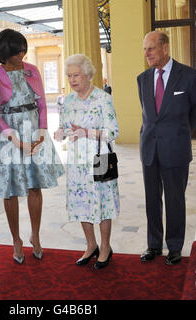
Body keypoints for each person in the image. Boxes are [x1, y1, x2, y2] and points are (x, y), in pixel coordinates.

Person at [0, 29, 64, 265]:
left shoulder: (32, 70)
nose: (22, 53)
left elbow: (41, 103)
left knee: (34, 186)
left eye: (23, 49)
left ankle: (35, 236)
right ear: (5, 51)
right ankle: (16, 240)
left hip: (33, 130)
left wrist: (41, 132)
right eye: (17, 50)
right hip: (8, 134)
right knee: (10, 190)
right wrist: (15, 139)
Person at [137, 31, 196, 265]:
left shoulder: (189, 76)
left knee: (175, 199)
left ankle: (174, 246)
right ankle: (153, 245)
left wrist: (178, 133)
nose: (146, 53)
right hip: (149, 149)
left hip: (175, 148)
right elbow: (148, 115)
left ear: (165, 48)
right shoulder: (142, 79)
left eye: (151, 48)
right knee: (151, 199)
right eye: (145, 49)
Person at [54, 54, 120, 270]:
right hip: (76, 161)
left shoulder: (103, 98)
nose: (72, 80)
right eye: (69, 75)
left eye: (76, 75)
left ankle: (105, 247)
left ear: (88, 74)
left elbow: (113, 132)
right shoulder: (68, 101)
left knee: (102, 204)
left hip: (100, 157)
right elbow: (65, 125)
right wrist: (61, 132)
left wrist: (86, 132)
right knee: (82, 203)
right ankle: (91, 245)